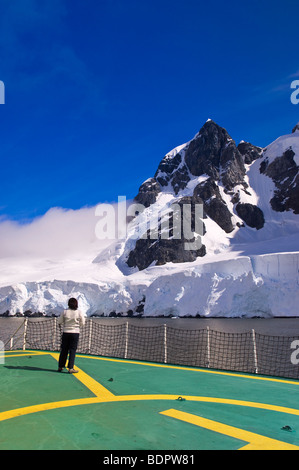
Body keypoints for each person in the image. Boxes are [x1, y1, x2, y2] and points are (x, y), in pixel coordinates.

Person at [57, 297, 86, 373]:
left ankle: (60, 366)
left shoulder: (64, 312)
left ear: (68, 304)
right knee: (72, 350)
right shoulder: (79, 312)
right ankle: (70, 368)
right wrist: (78, 325)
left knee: (64, 350)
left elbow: (59, 321)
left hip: (66, 332)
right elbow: (83, 322)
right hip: (75, 333)